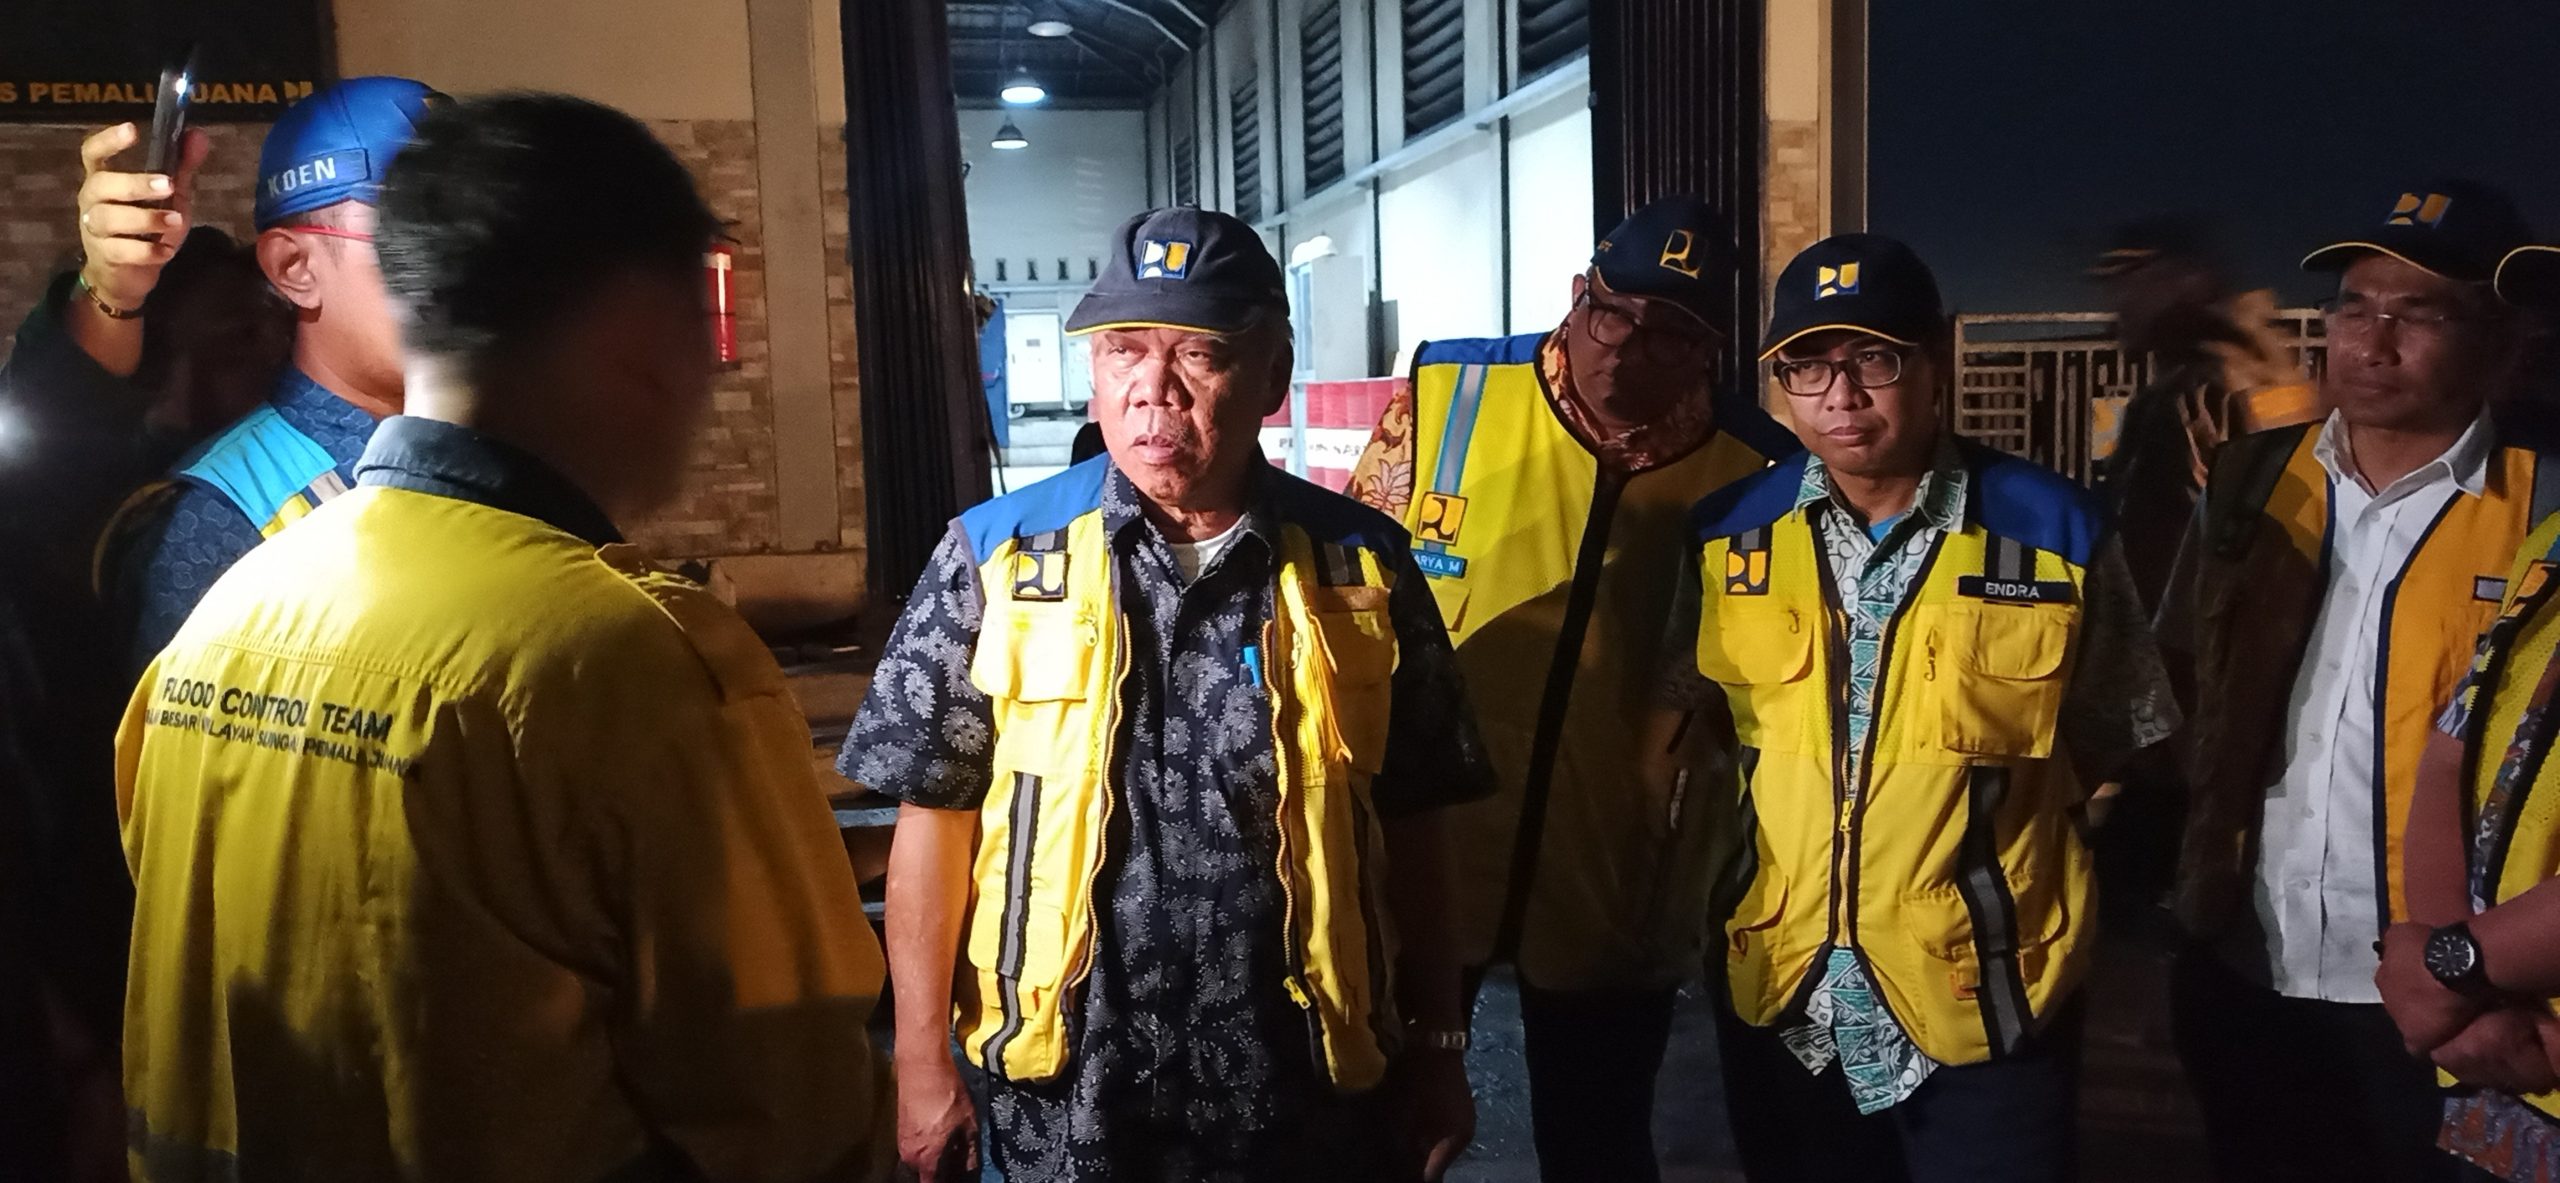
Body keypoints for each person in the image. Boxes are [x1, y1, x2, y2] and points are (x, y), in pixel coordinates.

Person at [116, 92, 892, 1182]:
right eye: (699, 322)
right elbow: (792, 1120)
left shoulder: (223, 622)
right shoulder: (638, 664)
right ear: (636, 330)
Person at [846, 207, 1491, 1183]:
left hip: (1307, 1089)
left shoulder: (1362, 565)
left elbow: (1417, 824)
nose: (1153, 389)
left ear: (1271, 375)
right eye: (1123, 351)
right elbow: (933, 823)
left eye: (1198, 353)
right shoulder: (994, 557)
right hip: (1064, 1092)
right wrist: (920, 1060)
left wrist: (1441, 1050)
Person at [1661, 233, 2177, 1183]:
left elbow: (2116, 730)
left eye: (1875, 359)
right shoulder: (1725, 537)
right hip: (1788, 994)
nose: (1841, 396)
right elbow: (1687, 731)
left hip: (1987, 997)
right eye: (1807, 366)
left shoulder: (2055, 532)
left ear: (1936, 359)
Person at [1342, 195, 1794, 1181]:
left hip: (1619, 870)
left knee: (1598, 1144)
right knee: (1384, 1129)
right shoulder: (1447, 392)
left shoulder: (1757, 473)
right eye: (1610, 313)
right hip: (1426, 853)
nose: (1626, 353)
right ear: (1575, 294)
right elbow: (1347, 588)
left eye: (1671, 336)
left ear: (1715, 350)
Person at [2161, 180, 2552, 1183]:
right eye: (2353, 307)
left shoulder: (2538, 506)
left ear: (2496, 338)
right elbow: (2183, 684)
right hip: (2249, 969)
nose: (2373, 341)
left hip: (2451, 1001)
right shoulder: (2251, 483)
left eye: (2415, 314)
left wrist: (2490, 976)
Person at [97, 76, 439, 675]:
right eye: (416, 236)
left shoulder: (515, 451)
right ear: (294, 267)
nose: (465, 269)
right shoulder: (222, 524)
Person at [2378, 242, 2560, 1183]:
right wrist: (2466, 1001)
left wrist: (2454, 964)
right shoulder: (2551, 540)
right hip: (2505, 1088)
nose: (2535, 342)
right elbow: (2453, 750)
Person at [2086, 214, 2322, 613]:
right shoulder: (2174, 387)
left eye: (2134, 280)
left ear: (2186, 281)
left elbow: (2290, 533)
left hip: (2205, 646)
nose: (2118, 301)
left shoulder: (2241, 381)